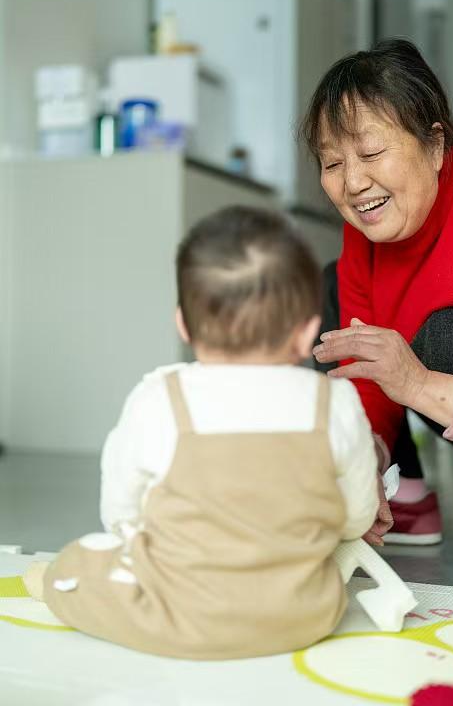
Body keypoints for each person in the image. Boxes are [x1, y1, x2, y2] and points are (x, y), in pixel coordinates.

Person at [25, 205, 379, 659]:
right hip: (306, 615)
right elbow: (357, 515)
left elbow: (120, 511)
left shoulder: (159, 398)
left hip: (179, 617)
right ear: (308, 331)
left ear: (183, 325)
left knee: (78, 563)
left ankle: (53, 585)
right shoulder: (335, 401)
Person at [306, 38, 453, 593]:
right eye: (332, 163)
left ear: (434, 144)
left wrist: (419, 384)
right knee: (338, 307)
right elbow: (368, 368)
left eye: (370, 153)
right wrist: (364, 461)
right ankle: (403, 489)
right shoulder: (367, 230)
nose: (352, 183)